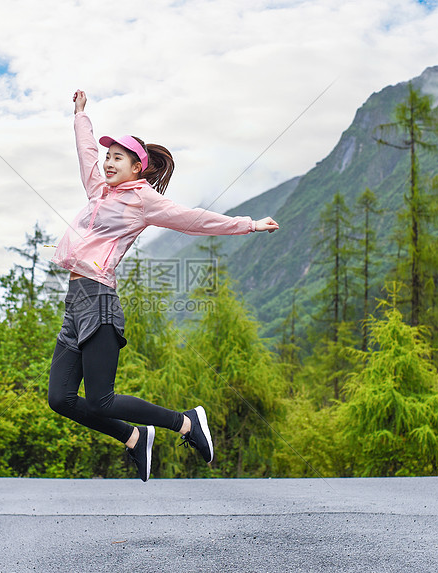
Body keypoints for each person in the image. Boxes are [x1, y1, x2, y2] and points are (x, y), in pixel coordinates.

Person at [47, 89, 279, 482]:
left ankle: (186, 423)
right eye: (108, 157)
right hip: (75, 302)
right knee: (61, 399)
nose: (107, 162)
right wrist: (81, 116)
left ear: (138, 167)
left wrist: (249, 224)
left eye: (117, 157)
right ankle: (134, 437)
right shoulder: (98, 190)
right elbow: (86, 153)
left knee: (101, 399)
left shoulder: (143, 201)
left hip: (99, 300)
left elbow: (193, 219)